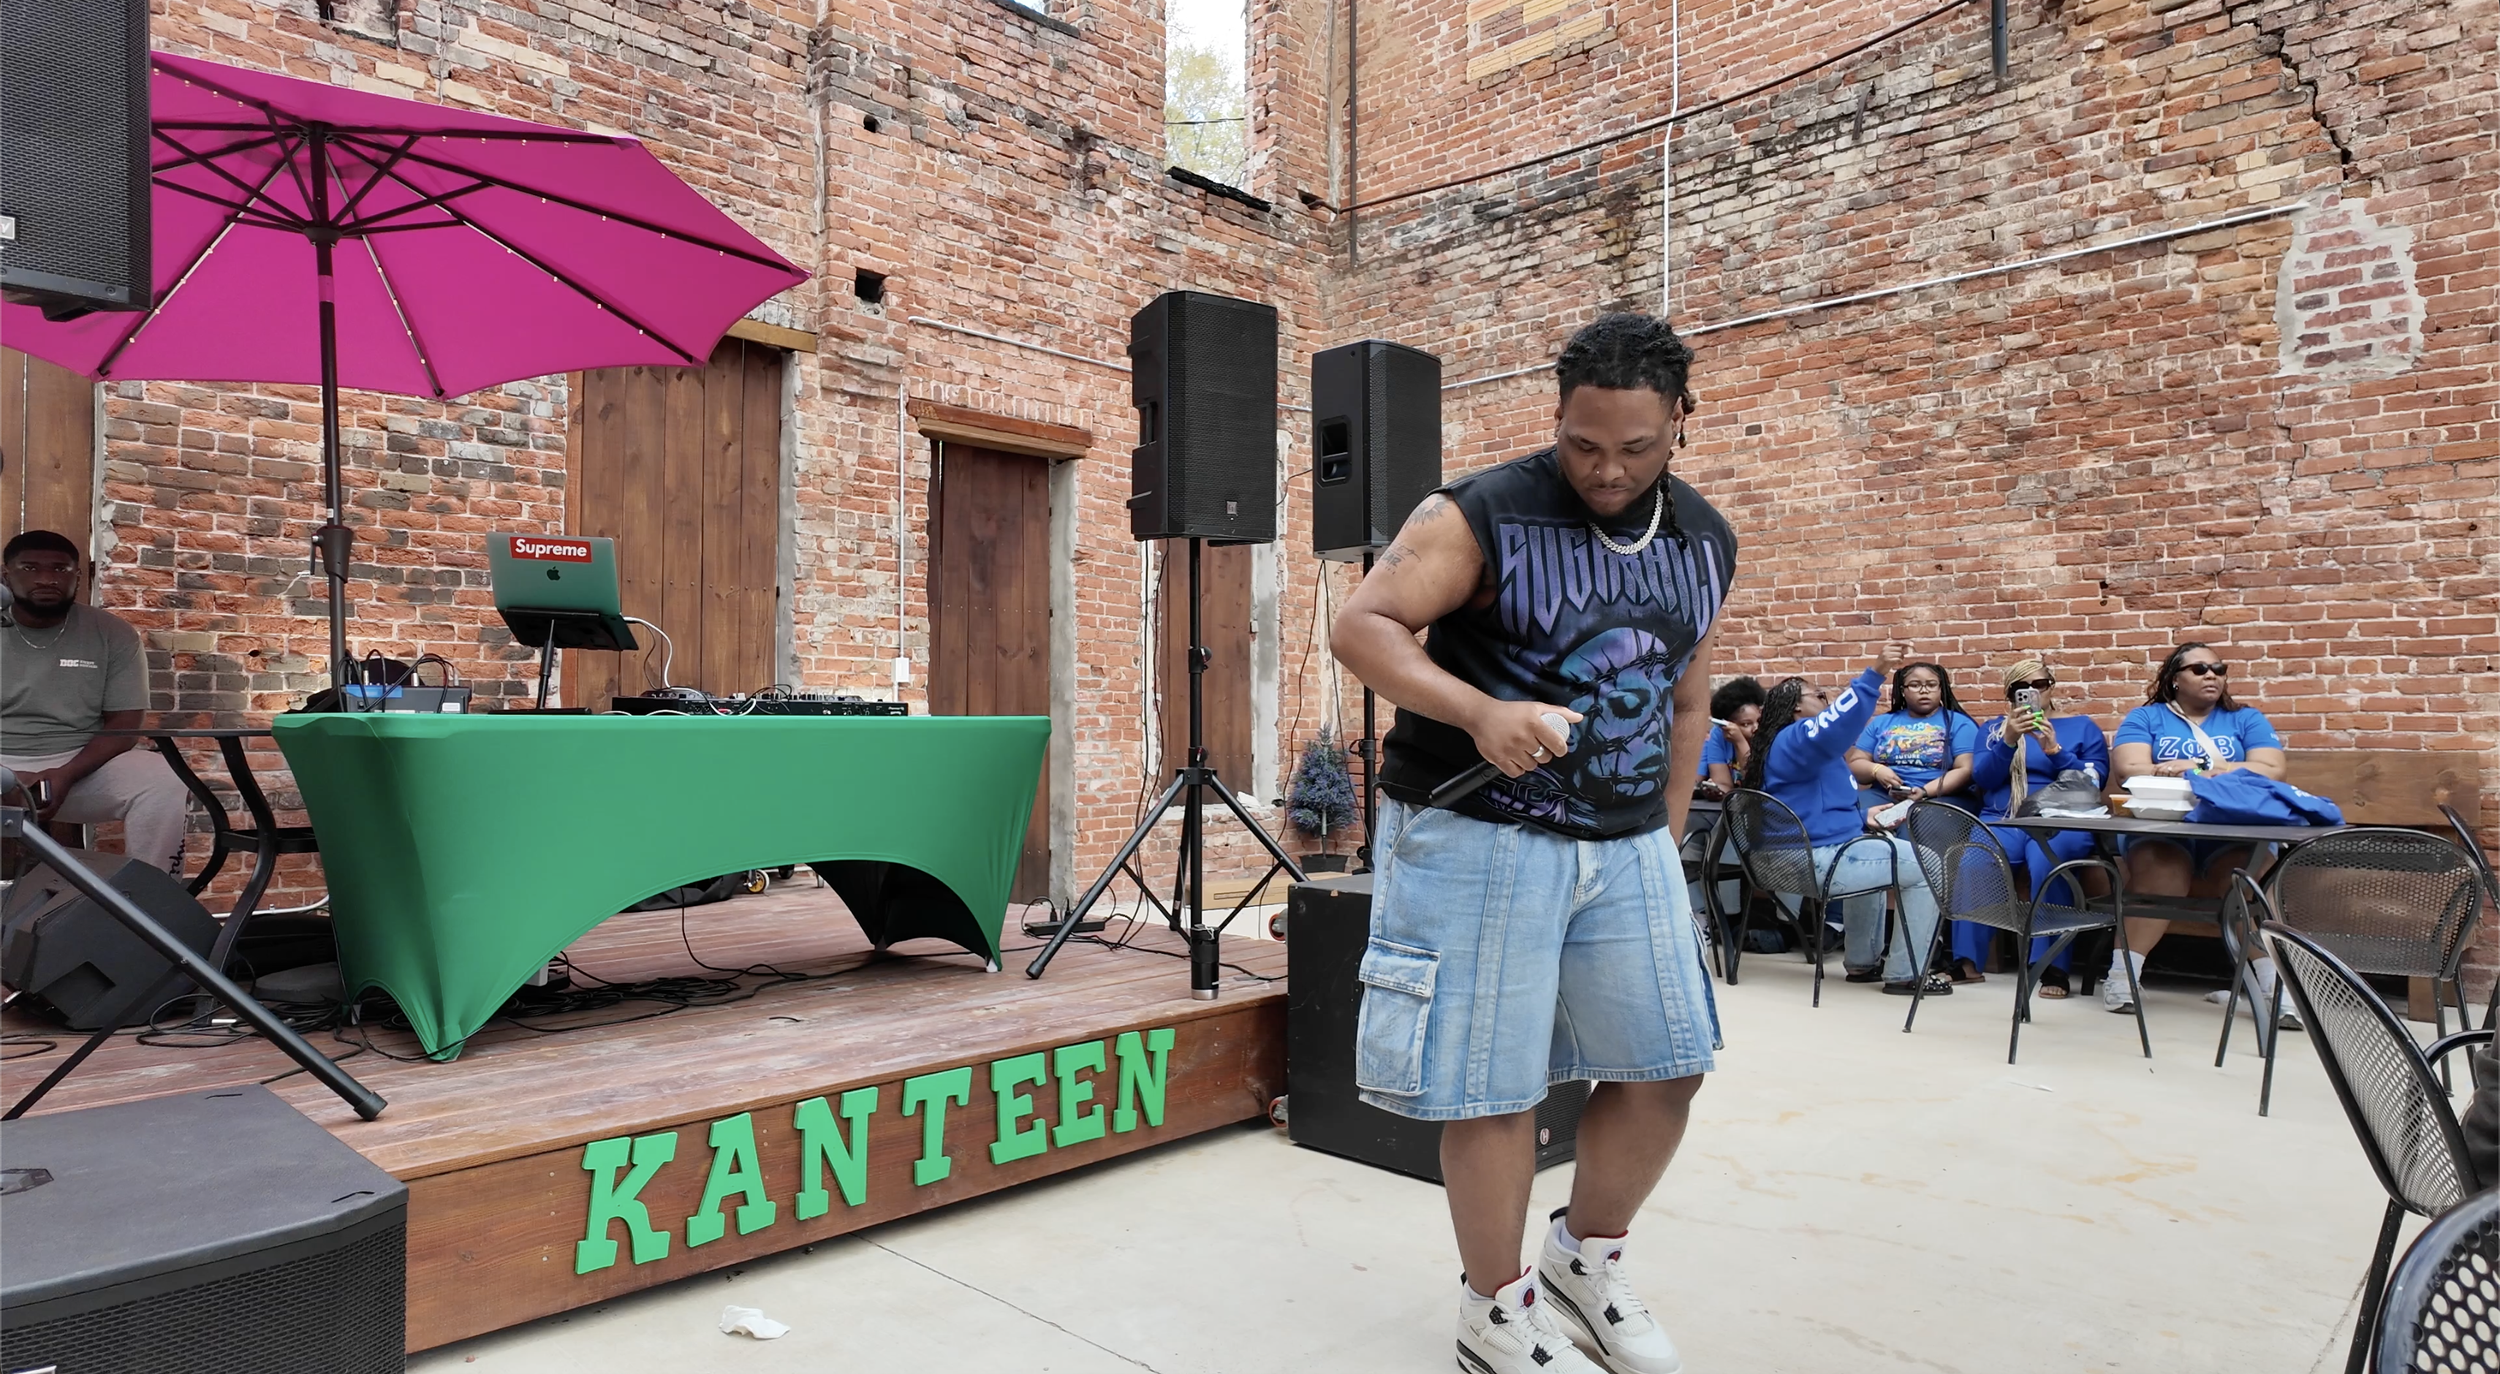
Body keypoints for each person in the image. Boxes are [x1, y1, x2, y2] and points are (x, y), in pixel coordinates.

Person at [1334, 312, 1733, 1374]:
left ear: (1682, 422)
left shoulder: (1703, 537)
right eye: (1583, 444)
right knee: (1489, 1084)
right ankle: (1493, 1308)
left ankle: (1582, 1260)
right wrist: (1477, 710)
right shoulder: (1484, 512)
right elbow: (1363, 626)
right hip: (1476, 827)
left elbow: (1690, 699)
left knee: (1667, 1066)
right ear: (1555, 416)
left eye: (1635, 449)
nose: (1606, 470)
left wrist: (1667, 824)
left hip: (1626, 840)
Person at [1746, 644, 1951, 998]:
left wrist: (1861, 815)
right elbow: (1838, 723)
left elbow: (1804, 809)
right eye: (1819, 694)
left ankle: (1862, 964)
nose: (1825, 700)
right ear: (1797, 706)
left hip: (1799, 856)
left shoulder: (1790, 745)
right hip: (1814, 860)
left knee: (1873, 847)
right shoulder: (1798, 736)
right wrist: (1877, 672)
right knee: (1928, 864)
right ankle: (1906, 973)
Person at [2106, 641, 2288, 1016]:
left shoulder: (2246, 718)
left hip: (2231, 826)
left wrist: (2202, 769)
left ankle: (2273, 987)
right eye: (2200, 669)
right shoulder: (2147, 718)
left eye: (2219, 670)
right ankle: (2122, 978)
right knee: (2161, 873)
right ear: (2175, 679)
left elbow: (2271, 768)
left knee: (2247, 880)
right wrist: (2163, 768)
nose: (2212, 676)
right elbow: (2129, 768)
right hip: (2163, 826)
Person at [1, 530, 187, 872]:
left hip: (77, 767)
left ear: (78, 577)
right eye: (29, 568)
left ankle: (153, 903)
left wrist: (66, 773)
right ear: (6, 575)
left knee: (164, 779)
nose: (46, 578)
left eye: (60, 569)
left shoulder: (111, 632)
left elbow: (126, 724)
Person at [1956, 657, 2109, 993]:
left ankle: (2052, 966)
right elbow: (1983, 778)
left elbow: (2092, 781)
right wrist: (2008, 741)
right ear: (2009, 695)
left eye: (2039, 685)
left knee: (2049, 864)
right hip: (2004, 818)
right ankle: (1965, 961)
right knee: (1975, 860)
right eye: (2020, 689)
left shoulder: (2082, 727)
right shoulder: (1994, 729)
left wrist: (2054, 750)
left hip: (2059, 820)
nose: (2032, 693)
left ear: (2051, 686)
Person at [1846, 661, 1976, 812]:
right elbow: (1856, 762)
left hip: (1940, 796)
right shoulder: (1881, 723)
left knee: (1915, 827)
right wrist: (1876, 770)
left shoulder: (1959, 723)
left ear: (1941, 688)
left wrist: (1925, 791)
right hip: (1884, 794)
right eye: (1915, 685)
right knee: (1851, 814)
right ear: (1903, 691)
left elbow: (1965, 770)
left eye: (1931, 684)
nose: (1924, 690)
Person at [1694, 676, 1763, 798]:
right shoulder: (1718, 735)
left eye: (1759, 720)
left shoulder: (1768, 734)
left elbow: (1755, 782)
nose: (1756, 728)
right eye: (1746, 724)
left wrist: (1739, 742)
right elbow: (1723, 784)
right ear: (1726, 725)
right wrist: (1716, 791)